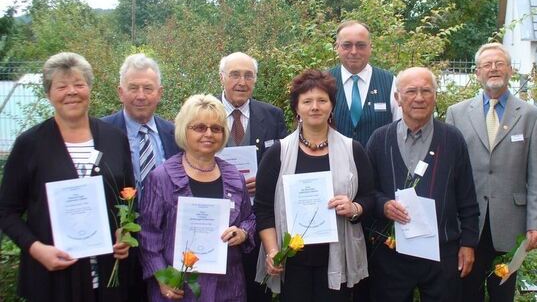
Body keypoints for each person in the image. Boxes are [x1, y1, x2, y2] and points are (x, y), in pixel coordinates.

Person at [0, 52, 135, 301]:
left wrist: (124, 233)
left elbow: (129, 197)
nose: (71, 91)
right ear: (49, 93)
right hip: (54, 280)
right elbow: (6, 211)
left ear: (89, 89)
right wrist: (36, 249)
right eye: (61, 86)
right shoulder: (30, 144)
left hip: (108, 278)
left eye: (79, 84)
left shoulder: (114, 138)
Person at [254, 69, 373, 301]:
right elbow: (263, 209)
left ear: (331, 106)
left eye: (322, 100)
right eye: (307, 101)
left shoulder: (353, 150)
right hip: (292, 261)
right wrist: (272, 251)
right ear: (297, 108)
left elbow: (370, 197)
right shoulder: (278, 153)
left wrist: (355, 208)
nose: (315, 107)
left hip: (339, 258)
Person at [446, 43, 537, 301]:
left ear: (510, 70)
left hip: (510, 223)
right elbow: (449, 173)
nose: (493, 69)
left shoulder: (531, 116)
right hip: (468, 222)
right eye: (487, 65)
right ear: (477, 73)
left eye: (499, 63)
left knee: (503, 293)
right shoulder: (457, 114)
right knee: (467, 293)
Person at [367, 67, 479, 302]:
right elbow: (367, 193)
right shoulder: (379, 139)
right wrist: (384, 205)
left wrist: (468, 243)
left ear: (435, 96)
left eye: (426, 91)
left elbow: (467, 198)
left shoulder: (452, 139)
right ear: (397, 98)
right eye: (411, 91)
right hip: (392, 252)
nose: (419, 98)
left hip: (442, 252)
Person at [138, 94, 256, 301]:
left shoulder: (234, 177)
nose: (209, 134)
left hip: (227, 287)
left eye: (216, 128)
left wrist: (243, 232)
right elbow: (148, 235)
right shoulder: (162, 177)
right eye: (200, 127)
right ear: (185, 130)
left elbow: (250, 218)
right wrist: (162, 278)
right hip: (178, 289)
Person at [218, 51, 288, 301]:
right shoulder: (206, 112)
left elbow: (286, 164)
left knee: (257, 288)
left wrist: (266, 180)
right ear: (222, 77)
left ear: (255, 80)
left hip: (259, 219)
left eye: (248, 76)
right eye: (235, 74)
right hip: (217, 219)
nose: (242, 82)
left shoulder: (272, 115)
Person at [102, 53, 181, 196]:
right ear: (121, 92)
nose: (141, 96)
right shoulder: (102, 133)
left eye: (148, 88)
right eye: (133, 88)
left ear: (159, 93)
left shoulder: (175, 134)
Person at [329, 20, 400, 146]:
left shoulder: (390, 82)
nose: (354, 51)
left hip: (377, 164)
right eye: (347, 45)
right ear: (337, 47)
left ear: (370, 47)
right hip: (333, 163)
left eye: (361, 45)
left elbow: (401, 129)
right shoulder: (323, 82)